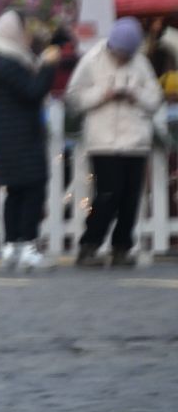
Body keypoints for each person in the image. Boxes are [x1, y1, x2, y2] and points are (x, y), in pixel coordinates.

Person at [66, 17, 163, 268]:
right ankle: (89, 245)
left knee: (131, 198)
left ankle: (122, 247)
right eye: (119, 53)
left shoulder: (141, 64)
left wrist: (136, 95)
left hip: (135, 140)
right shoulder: (92, 60)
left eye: (126, 55)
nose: (122, 59)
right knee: (108, 195)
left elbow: (154, 99)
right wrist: (103, 95)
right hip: (104, 141)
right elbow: (74, 97)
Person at [0, 10, 62, 272]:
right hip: (22, 138)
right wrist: (49, 66)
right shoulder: (9, 63)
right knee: (32, 190)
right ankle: (28, 246)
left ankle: (11, 247)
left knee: (15, 193)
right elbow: (33, 91)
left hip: (7, 139)